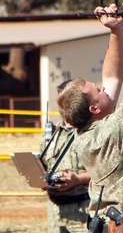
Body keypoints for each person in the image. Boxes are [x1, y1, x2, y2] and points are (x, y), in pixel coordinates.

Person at [57, 3, 123, 231]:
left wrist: (116, 30)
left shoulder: (90, 128)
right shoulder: (110, 131)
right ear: (94, 108)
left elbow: (112, 76)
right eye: (98, 90)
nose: (103, 88)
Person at [40, 80, 91, 233]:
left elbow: (107, 172)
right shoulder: (51, 135)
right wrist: (42, 179)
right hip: (56, 214)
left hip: (84, 212)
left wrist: (77, 179)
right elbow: (43, 166)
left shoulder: (91, 133)